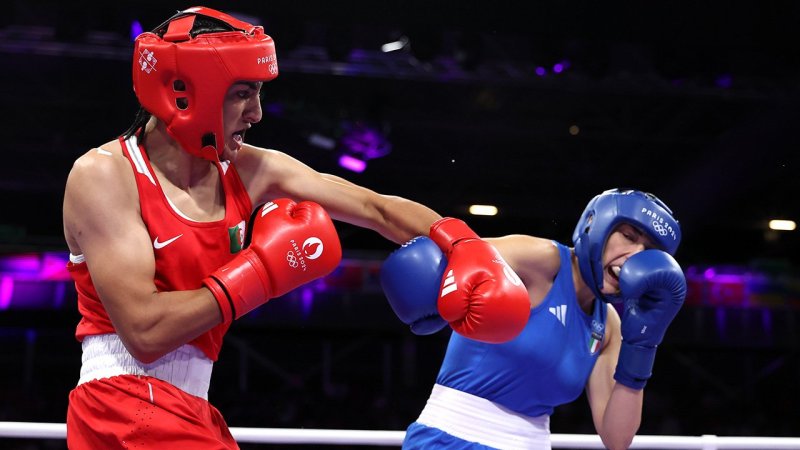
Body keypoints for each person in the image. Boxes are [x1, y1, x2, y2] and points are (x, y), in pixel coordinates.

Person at [62, 6, 530, 448]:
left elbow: (375, 208)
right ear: (186, 92)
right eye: (242, 94)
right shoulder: (106, 175)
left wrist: (461, 241)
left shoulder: (249, 170)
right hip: (122, 406)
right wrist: (260, 273)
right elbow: (145, 333)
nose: (257, 114)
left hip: (192, 406)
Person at [381, 188, 687, 450]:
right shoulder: (540, 259)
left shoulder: (610, 326)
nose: (636, 254)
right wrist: (372, 208)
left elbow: (617, 438)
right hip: (451, 439)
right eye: (629, 236)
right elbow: (449, 244)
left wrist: (644, 343)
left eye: (648, 250)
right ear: (597, 226)